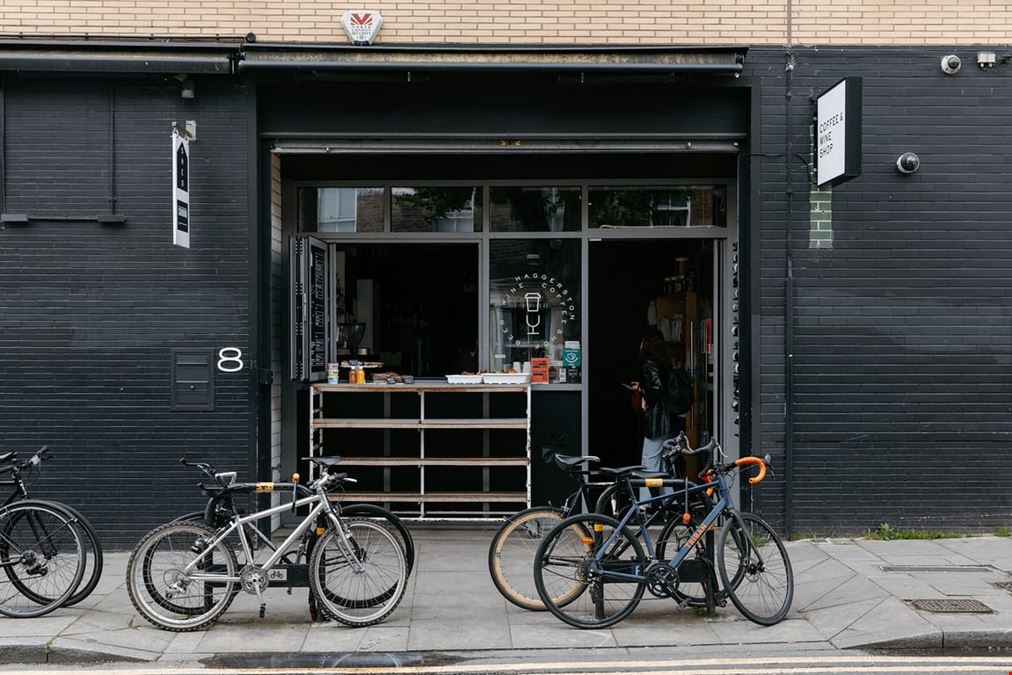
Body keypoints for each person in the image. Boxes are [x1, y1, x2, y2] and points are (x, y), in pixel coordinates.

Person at [628, 327, 678, 504]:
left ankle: (644, 505)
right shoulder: (665, 362)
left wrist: (642, 390)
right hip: (667, 419)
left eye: (642, 341)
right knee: (664, 463)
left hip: (657, 420)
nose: (640, 344)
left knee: (648, 461)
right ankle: (668, 501)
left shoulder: (649, 364)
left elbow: (656, 388)